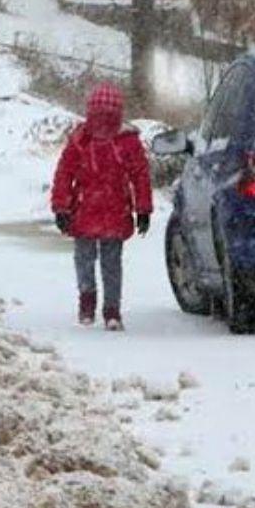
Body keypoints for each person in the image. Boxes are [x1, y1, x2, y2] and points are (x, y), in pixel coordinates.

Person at [51, 82, 152, 331]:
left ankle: (105, 308)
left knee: (102, 260)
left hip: (100, 209)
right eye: (99, 116)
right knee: (100, 260)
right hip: (97, 209)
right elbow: (64, 173)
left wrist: (143, 208)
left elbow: (140, 175)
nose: (103, 123)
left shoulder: (114, 142)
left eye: (107, 117)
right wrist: (61, 206)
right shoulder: (84, 141)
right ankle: (98, 306)